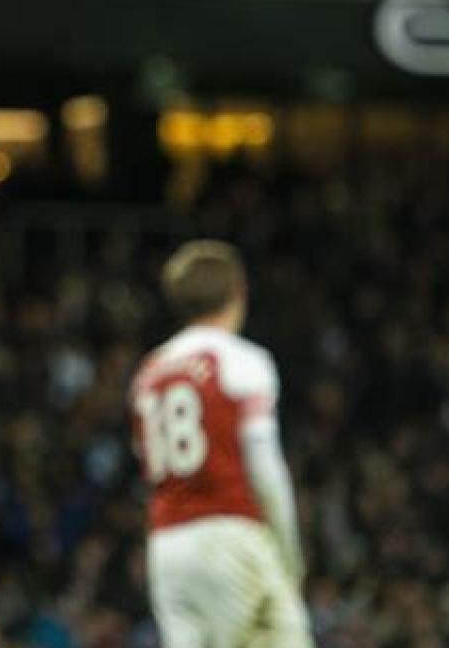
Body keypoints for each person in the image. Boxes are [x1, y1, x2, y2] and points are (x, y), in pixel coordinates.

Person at [127, 240, 311, 648]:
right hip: (229, 534)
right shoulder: (243, 360)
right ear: (239, 291)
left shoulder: (149, 371)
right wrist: (289, 553)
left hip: (168, 548)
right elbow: (264, 467)